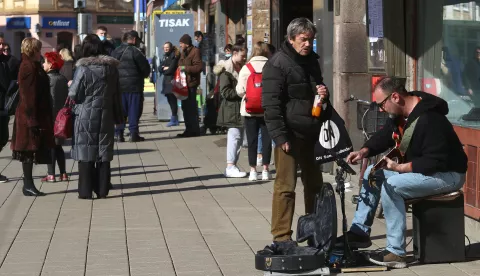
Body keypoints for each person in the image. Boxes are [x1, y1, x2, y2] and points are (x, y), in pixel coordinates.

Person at [343, 77, 467, 268]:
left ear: (395, 97)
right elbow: (385, 135)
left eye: (382, 104)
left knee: (392, 187)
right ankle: (359, 232)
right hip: (428, 169)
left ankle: (396, 253)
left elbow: (432, 162)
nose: (381, 109)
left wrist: (398, 168)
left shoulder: (430, 119)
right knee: (372, 172)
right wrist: (364, 151)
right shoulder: (402, 115)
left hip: (448, 174)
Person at [262, 18, 329, 251]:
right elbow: (270, 105)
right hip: (289, 135)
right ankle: (281, 236)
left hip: (310, 132)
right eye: (303, 40)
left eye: (311, 39)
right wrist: (280, 137)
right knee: (285, 186)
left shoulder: (312, 61)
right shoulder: (277, 64)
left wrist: (322, 92)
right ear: (291, 39)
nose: (308, 44)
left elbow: (313, 90)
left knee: (315, 184)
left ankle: (314, 230)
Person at [69, 34, 124, 199]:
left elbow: (73, 94)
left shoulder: (83, 69)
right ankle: (102, 189)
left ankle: (85, 191)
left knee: (86, 151)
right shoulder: (112, 69)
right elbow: (117, 93)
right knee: (103, 151)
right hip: (106, 113)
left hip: (85, 114)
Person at [11, 38, 55, 196]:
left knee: (31, 149)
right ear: (32, 50)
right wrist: (32, 120)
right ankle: (28, 185)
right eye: (38, 49)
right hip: (29, 115)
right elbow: (28, 96)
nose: (40, 51)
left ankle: (28, 185)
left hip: (35, 114)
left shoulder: (33, 65)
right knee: (28, 150)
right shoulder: (28, 67)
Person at [236, 41, 272, 181]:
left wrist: (248, 95)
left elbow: (239, 90)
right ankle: (265, 170)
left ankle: (252, 171)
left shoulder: (247, 68)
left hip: (249, 110)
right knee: (267, 139)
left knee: (252, 140)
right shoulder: (271, 66)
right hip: (267, 109)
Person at [112, 30, 150, 142]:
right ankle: (133, 134)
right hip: (134, 86)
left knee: (120, 110)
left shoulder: (115, 51)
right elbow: (145, 69)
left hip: (118, 86)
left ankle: (119, 134)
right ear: (133, 39)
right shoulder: (136, 52)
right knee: (133, 110)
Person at [216, 43, 247, 178]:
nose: (245, 58)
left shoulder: (240, 67)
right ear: (235, 54)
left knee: (238, 138)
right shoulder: (226, 70)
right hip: (231, 109)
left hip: (237, 108)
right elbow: (225, 92)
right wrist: (241, 92)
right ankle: (230, 166)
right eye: (242, 56)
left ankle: (232, 165)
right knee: (234, 137)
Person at [41, 52, 69, 183]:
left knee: (50, 146)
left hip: (50, 117)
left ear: (51, 65)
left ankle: (51, 174)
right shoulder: (63, 79)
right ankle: (63, 173)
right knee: (58, 147)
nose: (43, 64)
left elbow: (48, 99)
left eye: (45, 62)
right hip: (61, 118)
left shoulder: (47, 79)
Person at [177, 34, 202, 137]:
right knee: (185, 107)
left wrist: (185, 68)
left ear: (186, 44)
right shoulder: (184, 52)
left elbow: (199, 67)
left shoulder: (195, 51)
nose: (180, 45)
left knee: (191, 108)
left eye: (181, 43)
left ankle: (194, 130)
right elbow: (180, 63)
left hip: (191, 83)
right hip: (184, 83)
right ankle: (188, 129)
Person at [0, 37, 13, 183]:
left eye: (3, 43)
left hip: (4, 105)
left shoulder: (6, 61)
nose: (2, 46)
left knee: (3, 138)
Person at [161, 42, 180, 127]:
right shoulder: (165, 56)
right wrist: (164, 68)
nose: (165, 49)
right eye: (164, 47)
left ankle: (174, 119)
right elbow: (159, 68)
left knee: (173, 101)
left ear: (171, 48)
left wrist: (165, 68)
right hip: (166, 81)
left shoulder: (174, 56)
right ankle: (174, 118)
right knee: (170, 100)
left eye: (167, 47)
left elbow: (171, 70)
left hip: (171, 81)